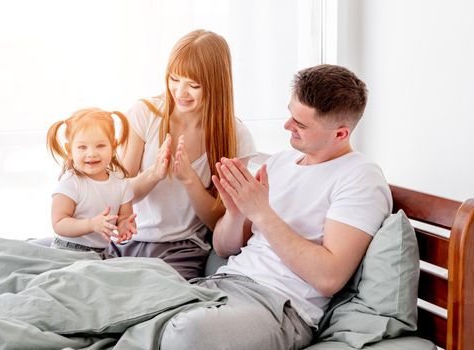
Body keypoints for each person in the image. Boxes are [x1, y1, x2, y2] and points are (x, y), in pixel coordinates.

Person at [159, 64, 393, 349]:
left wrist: (261, 212)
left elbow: (329, 277)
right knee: (128, 291)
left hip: (279, 307)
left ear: (341, 134)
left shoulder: (360, 177)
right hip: (223, 284)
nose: (287, 125)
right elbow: (223, 248)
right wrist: (235, 213)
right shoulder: (281, 162)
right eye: (290, 114)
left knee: (188, 331)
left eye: (301, 124)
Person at [114, 29, 256, 279]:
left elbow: (219, 223)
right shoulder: (144, 114)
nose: (180, 92)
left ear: (216, 85)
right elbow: (119, 195)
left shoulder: (237, 137)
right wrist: (153, 175)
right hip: (126, 242)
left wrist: (190, 180)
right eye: (174, 79)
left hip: (182, 251)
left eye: (193, 85)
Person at [46, 108, 137, 259]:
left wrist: (124, 226)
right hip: (67, 252)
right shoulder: (71, 183)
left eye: (100, 146)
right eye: (82, 147)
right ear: (70, 150)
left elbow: (124, 217)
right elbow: (59, 223)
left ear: (114, 147)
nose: (91, 153)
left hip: (103, 253)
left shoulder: (122, 183)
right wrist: (91, 224)